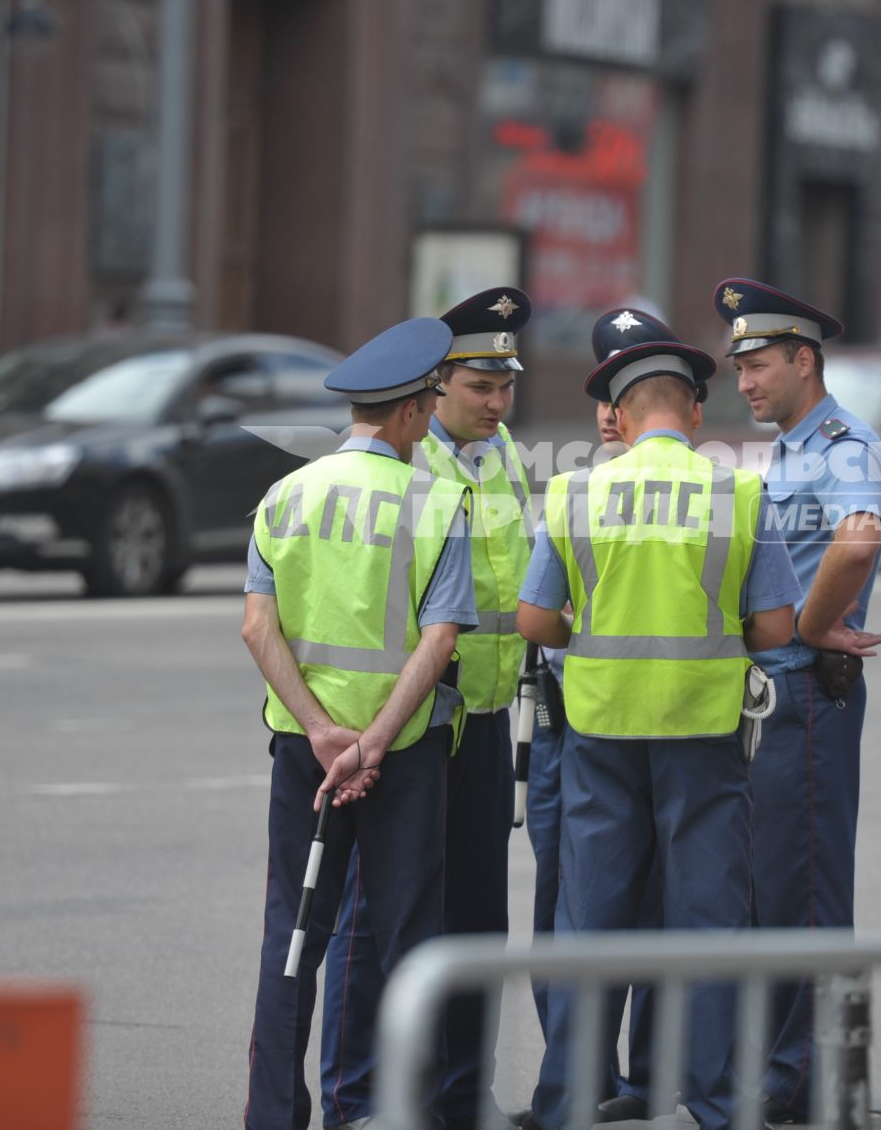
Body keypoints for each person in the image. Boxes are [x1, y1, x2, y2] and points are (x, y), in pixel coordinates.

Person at [518, 319, 802, 1130]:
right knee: (709, 920)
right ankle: (712, 1102)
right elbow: (777, 628)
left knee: (588, 921)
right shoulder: (739, 491)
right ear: (694, 415)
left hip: (600, 735)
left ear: (619, 412)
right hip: (705, 736)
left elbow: (535, 619)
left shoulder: (575, 489)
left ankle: (567, 1099)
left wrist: (591, 640)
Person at [241, 317, 478, 1130]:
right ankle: (407, 1113)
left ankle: (273, 1114)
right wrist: (374, 738)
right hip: (401, 758)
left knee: (293, 933)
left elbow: (256, 628)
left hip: (304, 755)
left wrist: (318, 729)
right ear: (414, 411)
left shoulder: (285, 495)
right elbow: (440, 637)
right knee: (410, 939)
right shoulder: (439, 501)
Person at [319, 288, 535, 1130]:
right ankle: (368, 1101)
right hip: (411, 725)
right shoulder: (406, 460)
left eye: (505, 385)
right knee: (387, 916)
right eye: (480, 386)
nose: (497, 402)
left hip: (482, 719)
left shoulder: (508, 453)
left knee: (480, 916)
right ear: (432, 387)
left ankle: (460, 1098)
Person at [712, 278, 881, 1125]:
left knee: (807, 893)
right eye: (738, 366)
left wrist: (818, 627)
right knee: (770, 888)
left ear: (804, 359)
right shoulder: (789, 448)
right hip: (771, 696)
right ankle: (785, 1075)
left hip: (806, 695)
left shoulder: (843, 444)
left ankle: (813, 1083)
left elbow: (858, 538)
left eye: (757, 364)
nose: (744, 380)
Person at [525, 309, 682, 1126]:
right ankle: (577, 1079)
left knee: (649, 903)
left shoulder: (691, 489)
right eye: (602, 386)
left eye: (621, 385)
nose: (606, 409)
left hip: (645, 726)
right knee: (568, 909)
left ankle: (647, 1081)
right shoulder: (575, 486)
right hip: (567, 721)